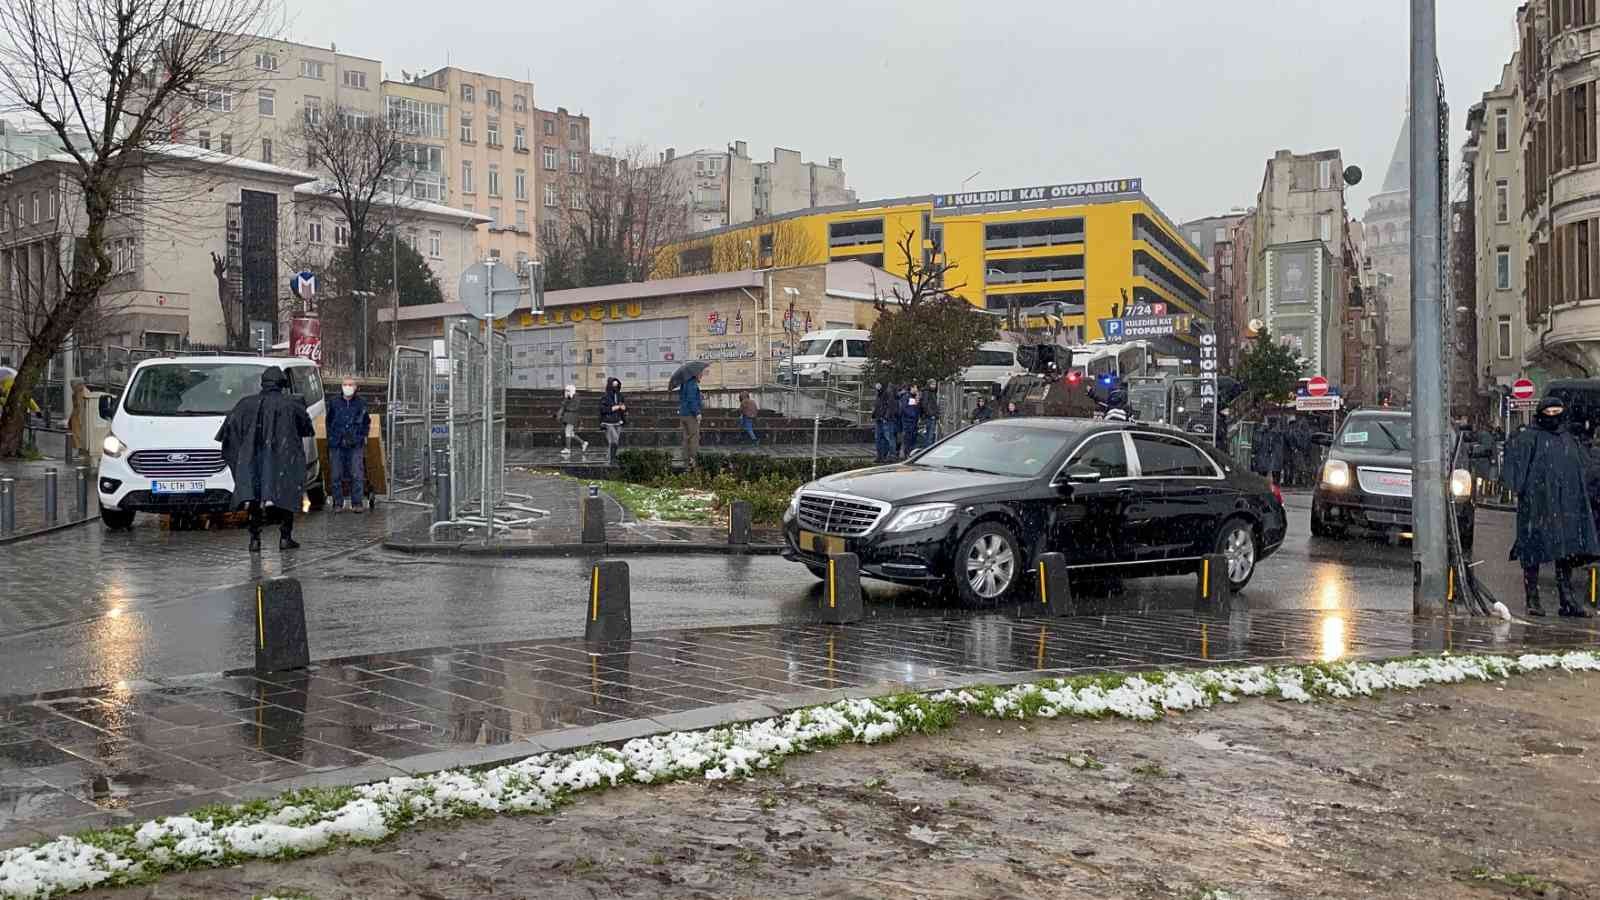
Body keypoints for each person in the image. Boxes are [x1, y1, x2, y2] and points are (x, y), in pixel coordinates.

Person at [1503, 397, 1599, 617]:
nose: (1554, 415)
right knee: (1533, 551)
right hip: (1538, 505)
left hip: (1566, 505)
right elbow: (1516, 470)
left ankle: (1567, 599)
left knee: (1565, 552)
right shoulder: (1530, 437)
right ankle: (1533, 600)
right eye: (1550, 411)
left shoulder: (1568, 439)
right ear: (1541, 413)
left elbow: (1582, 470)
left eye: (1558, 411)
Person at [215, 366, 314, 553]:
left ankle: (254, 538)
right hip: (284, 457)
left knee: (254, 495)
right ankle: (285, 536)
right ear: (281, 384)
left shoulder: (245, 404)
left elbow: (229, 432)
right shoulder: (292, 404)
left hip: (254, 458)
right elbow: (307, 428)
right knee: (286, 493)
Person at [326, 376, 370, 513]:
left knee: (356, 473)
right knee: (336, 475)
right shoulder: (334, 402)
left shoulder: (361, 403)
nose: (347, 387)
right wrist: (333, 437)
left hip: (355, 444)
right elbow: (329, 421)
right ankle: (337, 503)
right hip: (337, 443)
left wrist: (359, 437)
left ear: (356, 387)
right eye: (345, 384)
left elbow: (366, 422)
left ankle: (357, 503)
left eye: (350, 384)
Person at [678, 371, 703, 469]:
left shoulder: (684, 383)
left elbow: (684, 398)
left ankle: (686, 460)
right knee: (694, 437)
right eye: (700, 373)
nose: (701, 375)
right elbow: (691, 399)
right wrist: (697, 413)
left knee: (686, 438)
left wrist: (699, 397)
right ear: (695, 374)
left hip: (683, 413)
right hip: (690, 415)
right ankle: (693, 460)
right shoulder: (692, 384)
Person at [599, 377, 626, 465]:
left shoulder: (620, 396)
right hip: (608, 422)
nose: (615, 387)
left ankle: (610, 457)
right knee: (613, 440)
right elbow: (602, 409)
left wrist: (623, 409)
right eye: (613, 385)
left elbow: (623, 407)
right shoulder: (605, 397)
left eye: (617, 385)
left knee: (615, 441)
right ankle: (612, 459)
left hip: (618, 421)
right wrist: (613, 408)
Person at [557, 384, 589, 458]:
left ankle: (568, 449)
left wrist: (566, 406)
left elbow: (574, 407)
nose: (566, 392)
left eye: (568, 391)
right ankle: (583, 443)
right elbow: (563, 405)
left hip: (572, 418)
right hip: (568, 417)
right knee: (571, 433)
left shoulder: (576, 398)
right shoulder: (568, 398)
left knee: (568, 432)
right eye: (566, 391)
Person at [1252, 418, 1285, 485]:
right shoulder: (1262, 433)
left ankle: (1273, 486)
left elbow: (1280, 445)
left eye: (1273, 424)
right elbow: (1257, 445)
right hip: (1264, 456)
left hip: (1273, 457)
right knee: (1263, 473)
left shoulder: (1277, 434)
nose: (1271, 425)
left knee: (1274, 473)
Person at [871, 383, 897, 463]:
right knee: (879, 438)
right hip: (879, 419)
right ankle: (881, 456)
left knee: (888, 438)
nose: (877, 386)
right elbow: (877, 405)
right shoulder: (879, 393)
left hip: (885, 419)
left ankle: (891, 456)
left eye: (878, 385)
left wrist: (886, 417)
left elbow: (890, 406)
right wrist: (874, 415)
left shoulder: (888, 393)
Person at [898, 385, 921, 459]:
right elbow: (904, 408)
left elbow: (916, 407)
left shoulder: (914, 397)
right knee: (907, 438)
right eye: (915, 387)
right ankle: (906, 453)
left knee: (912, 438)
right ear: (911, 388)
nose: (916, 389)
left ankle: (910, 453)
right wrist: (912, 415)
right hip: (908, 421)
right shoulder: (906, 396)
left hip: (913, 421)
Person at [921, 379, 941, 448]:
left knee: (930, 434)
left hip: (932, 416)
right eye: (933, 384)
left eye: (935, 384)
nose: (934, 386)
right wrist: (931, 414)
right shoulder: (927, 392)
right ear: (929, 384)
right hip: (929, 417)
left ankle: (928, 447)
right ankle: (927, 448)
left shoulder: (932, 392)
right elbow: (925, 405)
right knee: (929, 434)